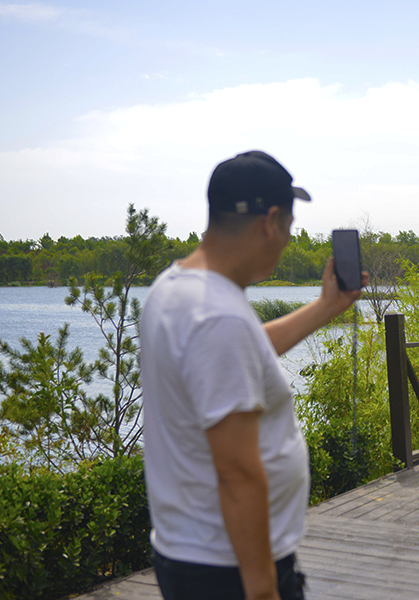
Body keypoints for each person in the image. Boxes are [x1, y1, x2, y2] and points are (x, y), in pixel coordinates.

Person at [141, 150, 366, 600]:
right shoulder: (218, 317)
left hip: (192, 556)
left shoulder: (174, 289)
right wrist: (263, 588)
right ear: (271, 221)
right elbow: (238, 474)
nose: (286, 241)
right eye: (289, 228)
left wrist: (326, 308)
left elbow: (244, 351)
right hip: (230, 572)